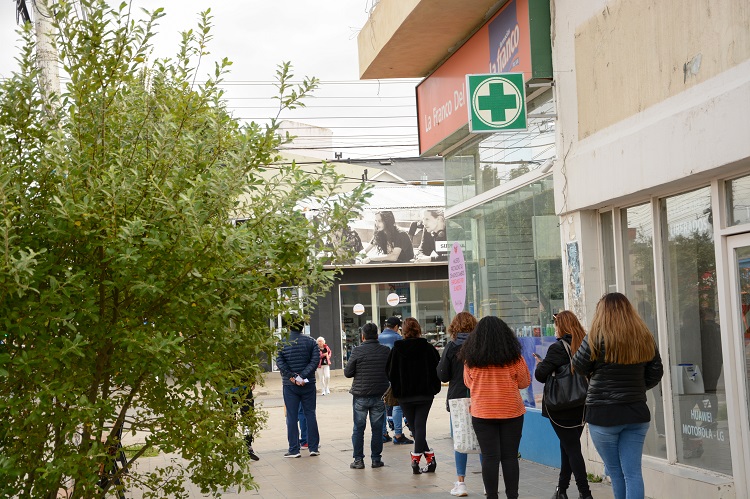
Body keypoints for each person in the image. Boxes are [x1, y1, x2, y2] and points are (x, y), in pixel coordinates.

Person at [572, 293, 664, 499]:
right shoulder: (644, 336)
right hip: (636, 413)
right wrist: (637, 388)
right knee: (633, 473)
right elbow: (656, 372)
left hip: (603, 415)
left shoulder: (595, 336)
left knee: (616, 472)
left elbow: (578, 366)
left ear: (601, 312)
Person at [461, 316, 530, 499]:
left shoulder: (471, 359)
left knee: (490, 457)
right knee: (509, 457)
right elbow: (524, 382)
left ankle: (492, 496)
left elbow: (468, 383)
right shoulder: (515, 358)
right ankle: (512, 496)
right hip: (511, 412)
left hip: (482, 413)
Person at [533, 311, 591, 499]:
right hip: (582, 405)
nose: (555, 328)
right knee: (568, 446)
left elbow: (541, 375)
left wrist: (539, 364)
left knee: (572, 448)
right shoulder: (586, 344)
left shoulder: (557, 348)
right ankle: (562, 490)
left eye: (556, 325)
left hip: (561, 408)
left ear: (562, 326)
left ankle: (585, 493)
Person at [386, 317, 441, 474]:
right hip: (425, 393)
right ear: (418, 330)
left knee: (415, 426)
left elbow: (389, 372)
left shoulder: (397, 349)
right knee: (419, 425)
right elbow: (438, 368)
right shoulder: (428, 348)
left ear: (403, 330)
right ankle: (427, 458)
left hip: (405, 395)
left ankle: (417, 457)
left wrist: (398, 385)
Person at [437, 311, 480, 497]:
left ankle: (461, 483)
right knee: (483, 440)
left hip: (457, 397)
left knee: (460, 439)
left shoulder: (451, 347)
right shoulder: (480, 346)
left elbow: (443, 375)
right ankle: (488, 482)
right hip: (480, 396)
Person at [344, 323, 392, 469]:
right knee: (377, 429)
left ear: (363, 336)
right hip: (379, 394)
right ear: (377, 335)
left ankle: (358, 460)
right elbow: (390, 371)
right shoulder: (386, 350)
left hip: (361, 395)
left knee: (358, 428)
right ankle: (376, 460)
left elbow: (347, 372)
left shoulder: (357, 351)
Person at [275, 315, 321, 458]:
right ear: (302, 327)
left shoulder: (282, 343)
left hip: (290, 385)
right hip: (308, 383)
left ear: (288, 327)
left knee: (292, 416)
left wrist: (293, 377)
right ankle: (313, 447)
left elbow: (280, 362)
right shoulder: (311, 341)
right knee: (310, 414)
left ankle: (294, 449)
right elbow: (315, 361)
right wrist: (303, 376)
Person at [379, 316, 413, 445]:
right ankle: (398, 434)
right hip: (395, 376)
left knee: (382, 405)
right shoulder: (399, 339)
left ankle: (383, 433)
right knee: (397, 405)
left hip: (380, 377)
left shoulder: (378, 338)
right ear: (396, 327)